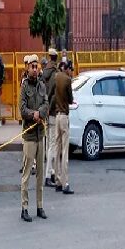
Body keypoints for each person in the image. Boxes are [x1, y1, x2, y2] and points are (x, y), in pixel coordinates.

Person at [18, 55, 48, 222]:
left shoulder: (42, 85)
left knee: (40, 174)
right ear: (27, 69)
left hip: (40, 135)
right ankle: (24, 207)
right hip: (29, 136)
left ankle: (39, 206)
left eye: (36, 66)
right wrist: (33, 114)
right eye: (32, 66)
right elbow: (22, 109)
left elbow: (46, 103)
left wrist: (40, 113)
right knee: (27, 173)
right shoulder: (24, 87)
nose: (35, 69)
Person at [50, 57, 74, 194]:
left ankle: (58, 181)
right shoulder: (66, 80)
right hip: (64, 116)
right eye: (71, 69)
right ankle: (65, 183)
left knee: (57, 149)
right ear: (68, 68)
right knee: (65, 151)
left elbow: (53, 95)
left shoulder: (56, 77)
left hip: (57, 115)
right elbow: (70, 99)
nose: (72, 72)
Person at [41, 52, 58, 187]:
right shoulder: (54, 73)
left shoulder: (43, 72)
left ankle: (51, 172)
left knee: (48, 143)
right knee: (52, 144)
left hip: (44, 111)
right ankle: (48, 175)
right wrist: (49, 109)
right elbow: (53, 95)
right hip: (51, 112)